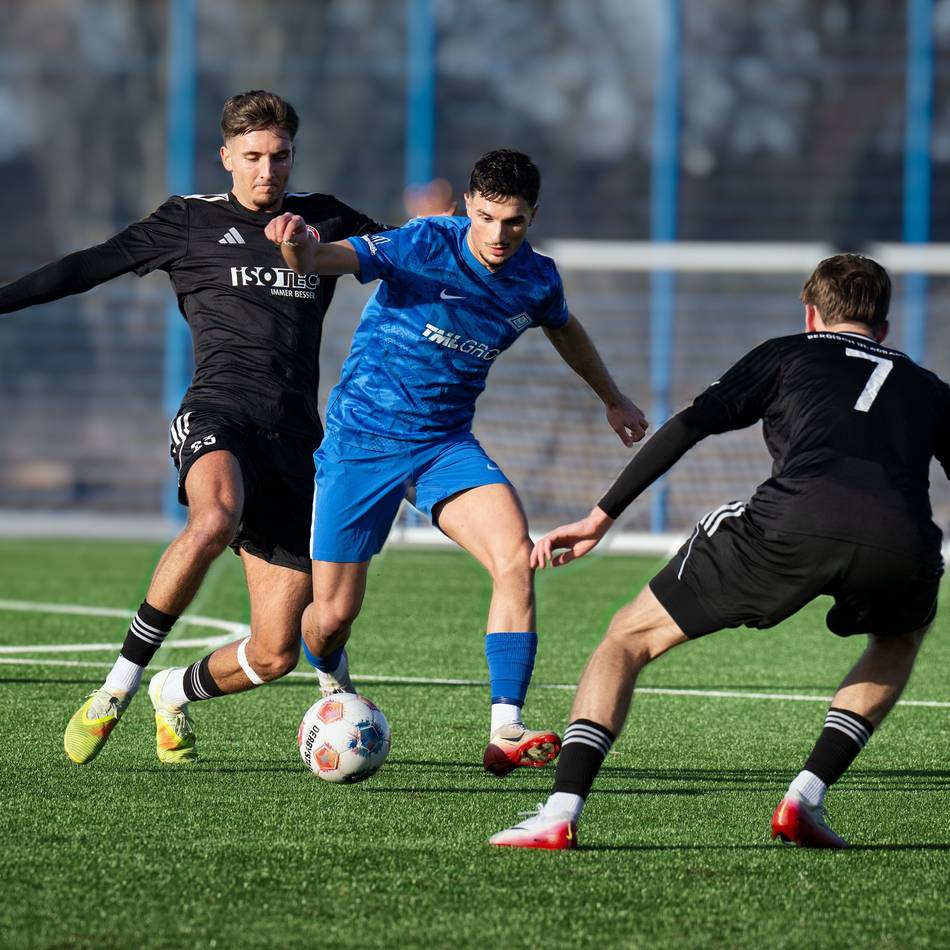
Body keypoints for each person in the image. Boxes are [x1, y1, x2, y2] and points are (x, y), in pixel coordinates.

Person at [0, 90, 435, 765]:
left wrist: (437, 230)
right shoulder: (189, 222)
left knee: (274, 652)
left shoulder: (323, 220)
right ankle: (116, 688)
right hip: (218, 412)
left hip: (296, 443)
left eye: (280, 156)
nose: (268, 170)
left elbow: (408, 263)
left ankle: (170, 691)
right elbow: (87, 266)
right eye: (254, 156)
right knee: (214, 518)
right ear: (226, 155)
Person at [490, 253, 950, 846]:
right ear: (884, 328)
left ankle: (558, 813)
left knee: (627, 639)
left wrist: (599, 517)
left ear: (811, 315)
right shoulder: (930, 388)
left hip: (791, 523)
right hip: (903, 538)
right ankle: (806, 797)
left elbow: (689, 425)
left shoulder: (789, 351)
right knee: (897, 639)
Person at [260, 149, 649, 775]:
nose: (499, 235)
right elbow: (329, 258)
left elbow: (564, 326)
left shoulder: (537, 279)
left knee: (514, 558)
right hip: (363, 438)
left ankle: (506, 728)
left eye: (514, 222)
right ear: (468, 206)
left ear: (533, 218)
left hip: (444, 444)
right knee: (330, 618)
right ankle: (333, 681)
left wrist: (613, 397)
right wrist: (299, 247)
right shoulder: (423, 244)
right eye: (488, 217)